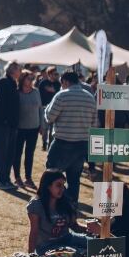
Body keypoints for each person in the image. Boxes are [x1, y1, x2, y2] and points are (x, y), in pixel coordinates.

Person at [44, 71, 96, 208]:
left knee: (52, 175)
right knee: (74, 179)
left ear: (65, 82)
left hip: (62, 142)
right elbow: (95, 123)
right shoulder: (90, 97)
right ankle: (71, 206)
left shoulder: (62, 95)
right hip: (82, 144)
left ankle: (53, 204)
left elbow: (49, 117)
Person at [26, 169, 88, 254]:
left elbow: (74, 226)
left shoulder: (65, 201)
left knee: (96, 244)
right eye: (58, 185)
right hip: (47, 246)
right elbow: (34, 232)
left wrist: (92, 228)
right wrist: (30, 256)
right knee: (74, 254)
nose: (62, 189)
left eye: (63, 185)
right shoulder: (36, 205)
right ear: (48, 186)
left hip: (67, 239)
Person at [0, 62, 21, 191]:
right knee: (1, 153)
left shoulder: (13, 83)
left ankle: (6, 178)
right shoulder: (3, 82)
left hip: (12, 124)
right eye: (18, 69)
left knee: (10, 153)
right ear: (12, 70)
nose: (20, 72)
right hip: (2, 124)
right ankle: (0, 179)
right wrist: (2, 120)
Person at [14, 70, 41, 190]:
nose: (31, 80)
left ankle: (28, 178)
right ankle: (17, 177)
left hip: (34, 128)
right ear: (22, 79)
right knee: (17, 153)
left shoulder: (36, 92)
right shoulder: (16, 92)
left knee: (29, 154)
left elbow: (40, 109)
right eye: (28, 78)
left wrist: (42, 125)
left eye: (32, 78)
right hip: (19, 128)